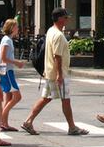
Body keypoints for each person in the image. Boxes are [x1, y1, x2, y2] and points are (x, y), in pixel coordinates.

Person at [21, 7, 89, 136]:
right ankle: (72, 127)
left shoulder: (51, 31)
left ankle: (28, 121)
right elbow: (57, 55)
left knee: (46, 98)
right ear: (59, 19)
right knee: (65, 99)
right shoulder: (58, 35)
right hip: (57, 73)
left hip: (50, 71)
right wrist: (60, 74)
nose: (67, 19)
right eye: (65, 17)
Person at [0, 19, 25, 132]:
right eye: (16, 26)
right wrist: (17, 62)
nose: (18, 28)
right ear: (12, 28)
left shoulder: (8, 40)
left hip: (5, 70)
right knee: (17, 97)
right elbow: (3, 57)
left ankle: (4, 123)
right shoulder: (7, 40)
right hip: (7, 71)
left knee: (8, 97)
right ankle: (2, 119)